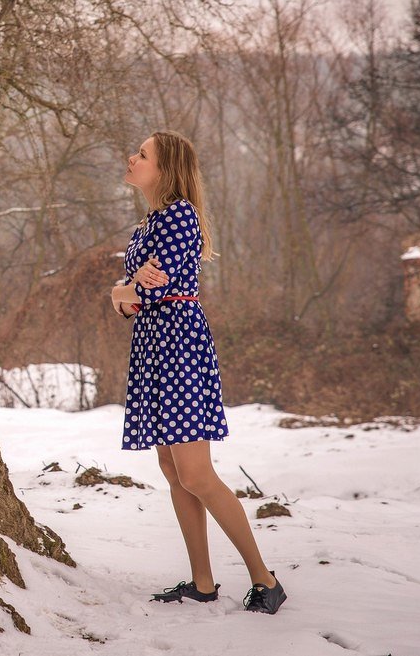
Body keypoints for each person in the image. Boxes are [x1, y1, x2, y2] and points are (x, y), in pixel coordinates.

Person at [108, 131, 287, 615]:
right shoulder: (147, 226)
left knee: (196, 472)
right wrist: (123, 291)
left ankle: (265, 579)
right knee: (172, 470)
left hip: (179, 347)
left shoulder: (179, 217)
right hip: (153, 346)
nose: (132, 157)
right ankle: (203, 583)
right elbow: (128, 301)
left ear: (164, 170)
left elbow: (139, 295)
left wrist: (123, 291)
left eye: (142, 154)